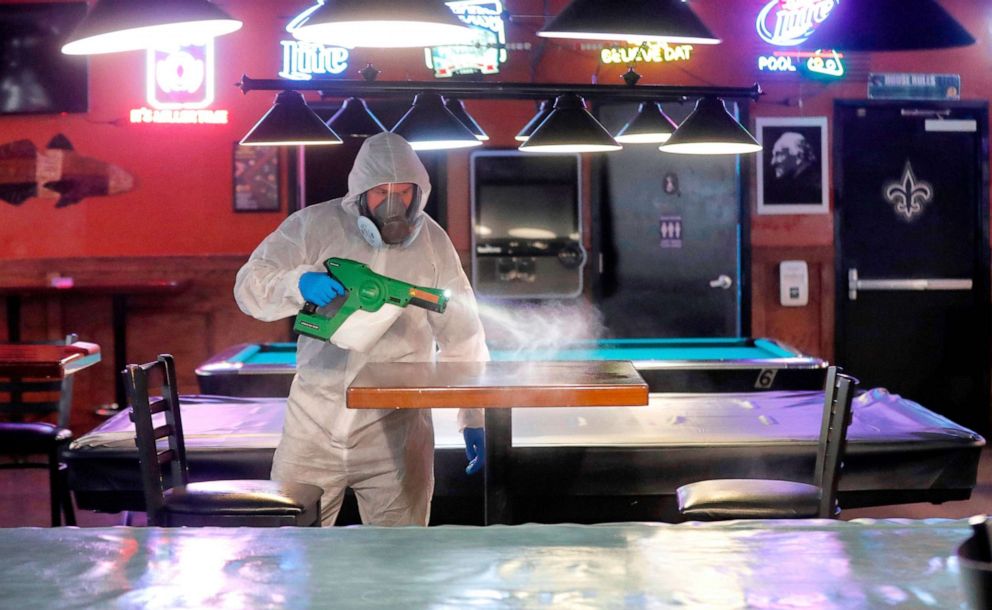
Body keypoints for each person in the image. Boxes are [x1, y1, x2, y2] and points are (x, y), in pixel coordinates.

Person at [234, 132, 488, 527]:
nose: (393, 204)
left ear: (419, 192)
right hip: (313, 424)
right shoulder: (313, 226)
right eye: (380, 192)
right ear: (359, 192)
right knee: (294, 553)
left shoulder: (433, 243)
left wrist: (474, 417)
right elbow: (249, 285)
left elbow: (463, 335)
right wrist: (297, 283)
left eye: (404, 192)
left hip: (397, 433)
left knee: (399, 559)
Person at [765, 131, 822, 205]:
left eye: (778, 154)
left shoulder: (812, 187)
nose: (773, 163)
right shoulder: (793, 185)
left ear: (799, 156)